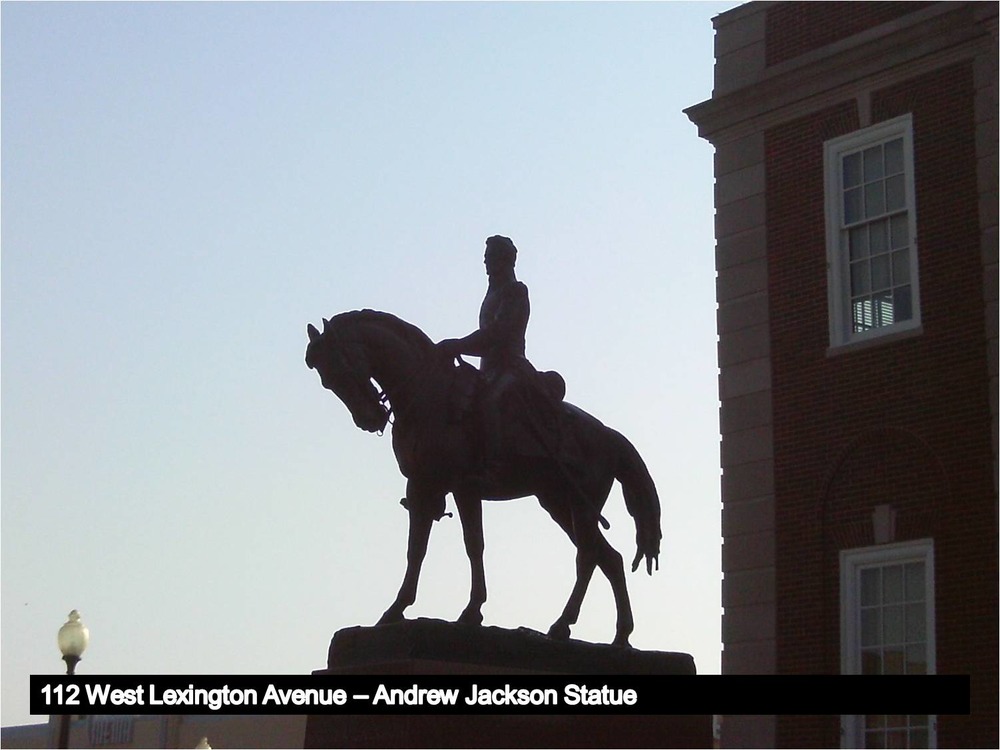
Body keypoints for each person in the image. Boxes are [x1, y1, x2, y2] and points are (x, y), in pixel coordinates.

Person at [437, 235, 538, 480]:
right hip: (489, 371)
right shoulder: (492, 294)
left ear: (505, 260)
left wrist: (458, 345)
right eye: (486, 258)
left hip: (512, 368)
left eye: (491, 257)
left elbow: (496, 334)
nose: (486, 263)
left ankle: (493, 464)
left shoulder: (516, 291)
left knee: (491, 401)